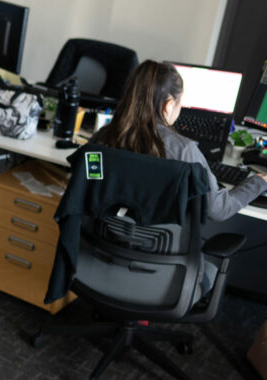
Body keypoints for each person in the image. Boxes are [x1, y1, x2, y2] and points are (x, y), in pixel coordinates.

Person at [90, 60, 267, 297]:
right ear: (168, 105)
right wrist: (259, 181)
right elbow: (220, 209)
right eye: (180, 103)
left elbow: (88, 187)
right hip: (161, 275)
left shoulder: (103, 138)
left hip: (101, 258)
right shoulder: (183, 151)